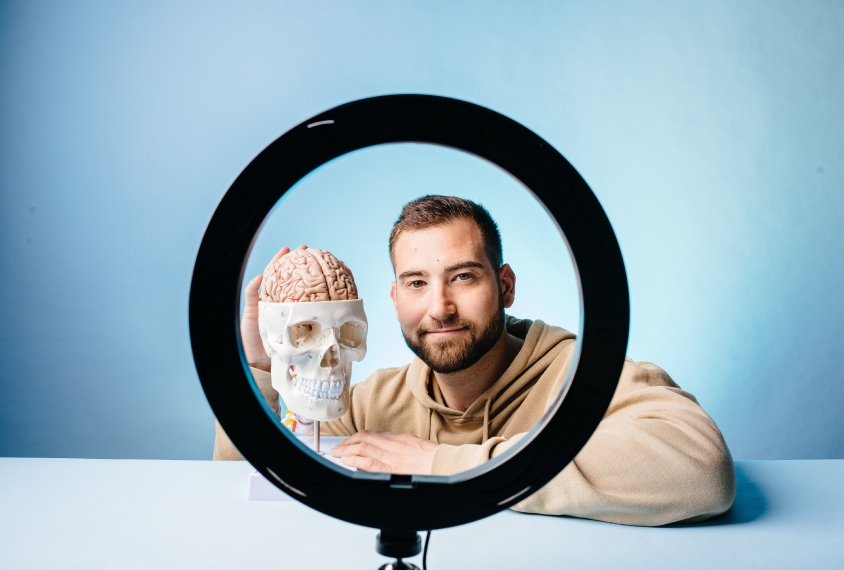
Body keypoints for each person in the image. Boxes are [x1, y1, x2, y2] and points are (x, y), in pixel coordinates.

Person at [214, 195, 735, 526]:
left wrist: (442, 467)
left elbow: (701, 470)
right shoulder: (371, 404)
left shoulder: (582, 376)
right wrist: (257, 372)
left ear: (504, 286)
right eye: (417, 283)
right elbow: (243, 491)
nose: (439, 307)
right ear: (394, 300)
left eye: (463, 276)